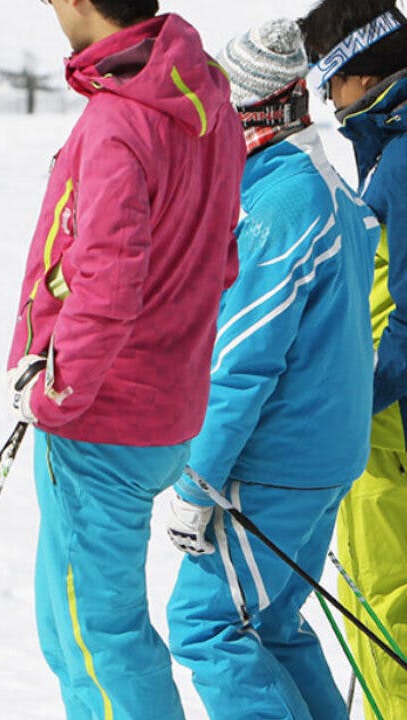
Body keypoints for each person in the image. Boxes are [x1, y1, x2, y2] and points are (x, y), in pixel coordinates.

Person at [4, 1, 244, 717]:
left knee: (100, 642)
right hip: (162, 407)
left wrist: (55, 388)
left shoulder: (120, 120)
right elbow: (219, 258)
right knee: (69, 630)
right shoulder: (205, 103)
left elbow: (107, 277)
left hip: (102, 418)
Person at [161, 19, 379, 720]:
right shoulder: (318, 185)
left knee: (208, 625)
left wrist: (198, 477)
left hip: (277, 463)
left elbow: (244, 360)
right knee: (273, 628)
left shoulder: (279, 205)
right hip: (326, 452)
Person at [300, 1, 407, 715]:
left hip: (387, 427)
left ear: (358, 72)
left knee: (382, 599)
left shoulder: (399, 161)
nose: (326, 103)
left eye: (326, 83)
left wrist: (346, 399)